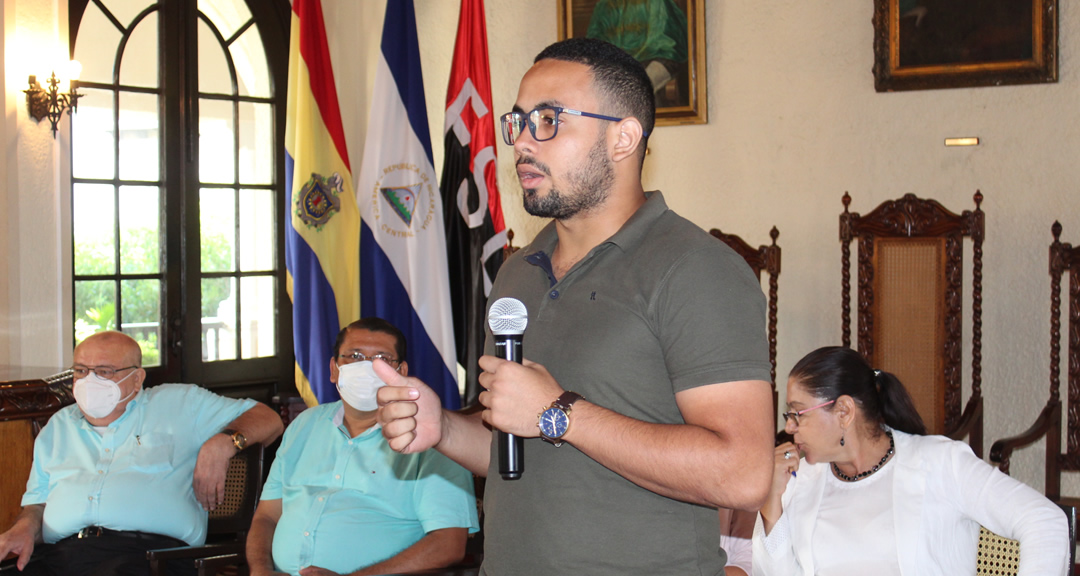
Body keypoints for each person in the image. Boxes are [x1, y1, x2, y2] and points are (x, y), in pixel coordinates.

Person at [377, 37, 774, 575]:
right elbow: (515, 452)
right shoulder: (519, 270)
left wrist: (559, 412)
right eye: (516, 123)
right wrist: (443, 429)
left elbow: (743, 473)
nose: (521, 144)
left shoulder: (696, 269)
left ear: (623, 137)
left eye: (548, 120)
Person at [753, 346, 1069, 575]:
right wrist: (771, 505)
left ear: (845, 411)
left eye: (797, 413)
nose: (789, 428)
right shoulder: (802, 477)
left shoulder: (940, 463)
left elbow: (1045, 522)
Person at [0, 330, 284, 576]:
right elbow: (36, 506)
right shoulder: (59, 425)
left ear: (137, 380)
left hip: (147, 558)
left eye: (104, 371)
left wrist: (223, 443)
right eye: (81, 371)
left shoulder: (179, 404)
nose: (89, 381)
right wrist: (24, 527)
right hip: (61, 557)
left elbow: (268, 419)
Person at [247, 318, 478, 576]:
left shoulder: (431, 436)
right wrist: (260, 570)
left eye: (381, 358)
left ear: (401, 372)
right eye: (355, 356)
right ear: (334, 369)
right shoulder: (304, 425)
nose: (367, 368)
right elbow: (266, 517)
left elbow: (449, 544)